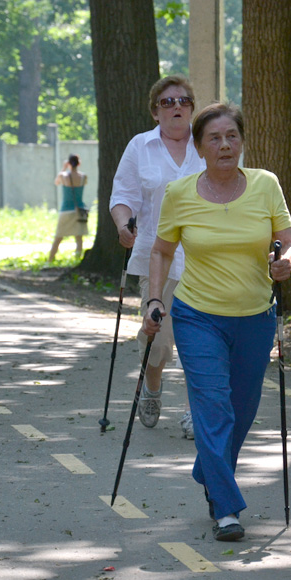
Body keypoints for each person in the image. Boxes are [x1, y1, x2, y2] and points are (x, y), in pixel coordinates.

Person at [142, 103, 291, 542]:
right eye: (214, 138)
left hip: (255, 317)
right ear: (199, 147)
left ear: (242, 141)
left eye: (232, 136)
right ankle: (225, 508)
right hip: (198, 316)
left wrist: (286, 261)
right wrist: (155, 299)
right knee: (213, 406)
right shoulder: (181, 193)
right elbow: (162, 251)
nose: (225, 145)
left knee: (243, 410)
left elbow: (289, 242)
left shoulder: (266, 185)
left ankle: (208, 468)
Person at [109, 74, 206, 434]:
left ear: (192, 108)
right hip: (158, 257)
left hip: (204, 259)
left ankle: (196, 408)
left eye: (183, 101)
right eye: (168, 102)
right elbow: (123, 196)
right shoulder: (140, 147)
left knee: (200, 338)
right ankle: (152, 383)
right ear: (155, 112)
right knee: (160, 340)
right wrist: (123, 225)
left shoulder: (208, 142)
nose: (177, 107)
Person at [49, 154, 88, 262]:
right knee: (79, 238)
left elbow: (56, 182)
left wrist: (64, 168)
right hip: (79, 210)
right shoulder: (83, 177)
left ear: (69, 163)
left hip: (66, 209)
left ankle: (50, 260)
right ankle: (77, 260)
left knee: (58, 237)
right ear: (79, 163)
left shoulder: (64, 176)